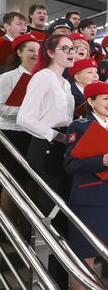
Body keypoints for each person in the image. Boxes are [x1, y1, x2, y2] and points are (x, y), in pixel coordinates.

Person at [16, 34, 76, 289]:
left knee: (60, 213)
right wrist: (55, 135)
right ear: (50, 52)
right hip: (45, 147)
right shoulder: (42, 77)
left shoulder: (67, 82)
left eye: (73, 48)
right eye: (65, 48)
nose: (71, 52)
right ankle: (39, 275)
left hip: (62, 148)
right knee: (45, 213)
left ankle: (57, 273)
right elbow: (24, 118)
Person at [64, 81, 108, 290]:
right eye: (104, 98)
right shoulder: (79, 126)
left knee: (94, 251)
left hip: (106, 195)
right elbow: (70, 164)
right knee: (82, 254)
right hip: (87, 197)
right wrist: (102, 161)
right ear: (91, 101)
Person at [0, 34, 39, 235]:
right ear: (19, 53)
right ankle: (8, 231)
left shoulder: (42, 78)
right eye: (30, 50)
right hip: (12, 134)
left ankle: (27, 229)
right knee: (12, 182)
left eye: (38, 50)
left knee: (31, 182)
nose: (35, 54)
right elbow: (1, 109)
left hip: (34, 135)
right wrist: (26, 111)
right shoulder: (6, 78)